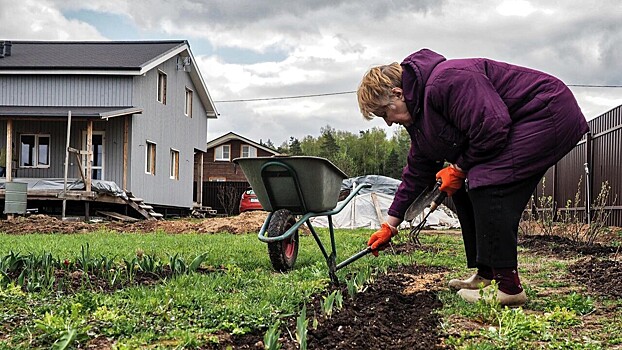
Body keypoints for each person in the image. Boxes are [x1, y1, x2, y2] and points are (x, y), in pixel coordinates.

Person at [357, 49, 589, 306]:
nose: (388, 123)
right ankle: (486, 274)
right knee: (463, 185)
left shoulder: (446, 81)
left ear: (398, 94)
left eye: (384, 114)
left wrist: (459, 166)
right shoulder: (420, 120)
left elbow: (493, 126)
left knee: (488, 180)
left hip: (546, 111)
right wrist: (390, 224)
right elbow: (416, 172)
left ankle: (509, 288)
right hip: (523, 121)